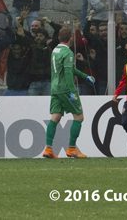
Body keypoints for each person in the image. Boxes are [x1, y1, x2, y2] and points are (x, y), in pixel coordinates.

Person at [41, 26, 93, 159]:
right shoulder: (68, 53)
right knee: (79, 117)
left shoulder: (56, 50)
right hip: (66, 88)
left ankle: (48, 149)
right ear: (71, 38)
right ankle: (71, 149)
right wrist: (72, 91)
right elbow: (69, 73)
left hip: (55, 88)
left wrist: (85, 76)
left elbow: (71, 69)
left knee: (55, 117)